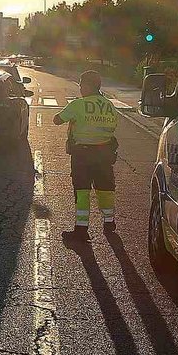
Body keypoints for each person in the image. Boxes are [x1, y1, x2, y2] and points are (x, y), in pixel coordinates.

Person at [53, 70, 119, 241]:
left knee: (82, 191)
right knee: (106, 189)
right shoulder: (109, 105)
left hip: (83, 154)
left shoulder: (78, 105)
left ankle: (81, 229)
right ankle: (109, 222)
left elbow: (57, 119)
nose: (80, 88)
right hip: (105, 153)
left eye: (81, 84)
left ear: (89, 85)